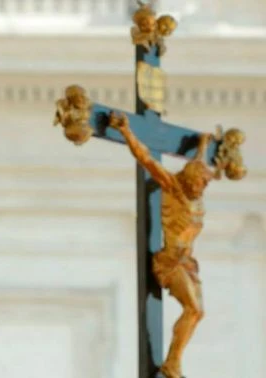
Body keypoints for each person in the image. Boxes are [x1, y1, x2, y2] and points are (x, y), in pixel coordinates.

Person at [110, 111, 214, 378]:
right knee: (194, 309)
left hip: (186, 263)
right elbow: (145, 158)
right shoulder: (174, 187)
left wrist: (202, 145)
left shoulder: (195, 191)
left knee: (197, 313)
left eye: (204, 184)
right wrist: (126, 131)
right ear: (190, 179)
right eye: (200, 182)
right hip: (168, 261)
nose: (202, 188)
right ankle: (172, 362)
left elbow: (199, 162)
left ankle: (173, 361)